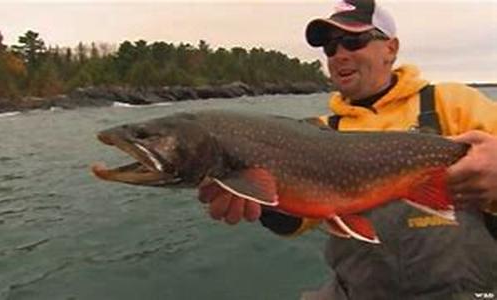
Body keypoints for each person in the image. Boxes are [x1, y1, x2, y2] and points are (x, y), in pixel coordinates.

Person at [198, 0, 497, 298]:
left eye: (354, 41)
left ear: (391, 49)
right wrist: (260, 202)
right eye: (330, 48)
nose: (340, 54)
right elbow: (299, 219)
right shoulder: (314, 130)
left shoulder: (452, 103)